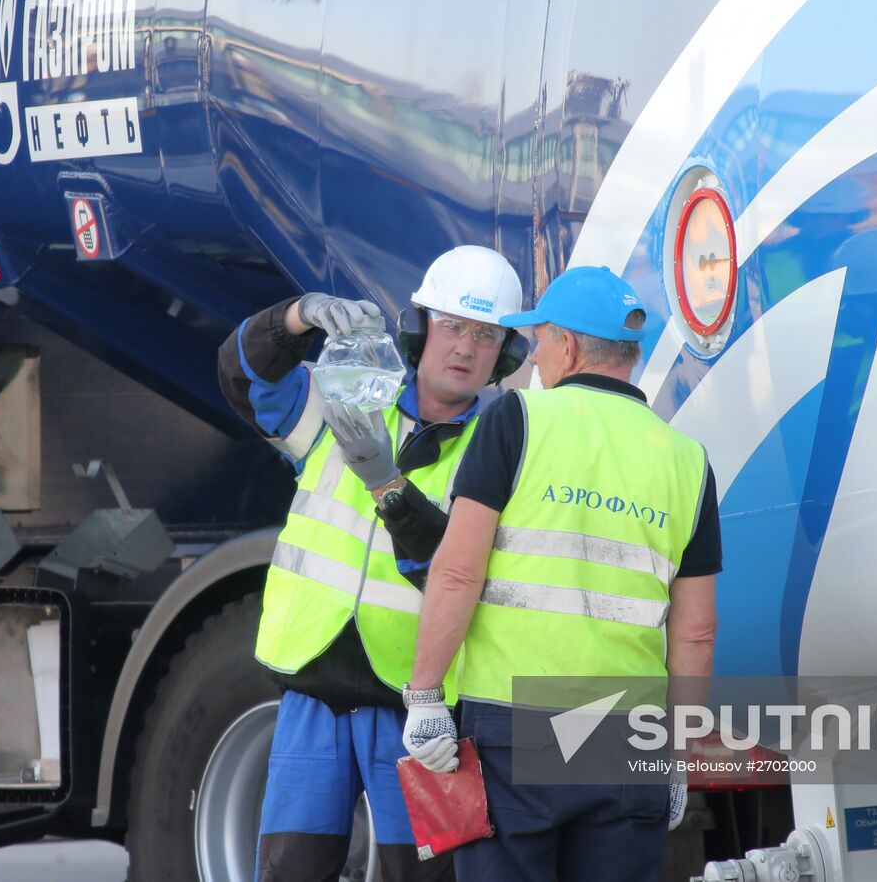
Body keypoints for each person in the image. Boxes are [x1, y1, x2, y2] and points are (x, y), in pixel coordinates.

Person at [217, 245, 530, 882]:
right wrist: (298, 316)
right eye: (452, 326)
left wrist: (389, 483)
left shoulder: (500, 447)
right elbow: (241, 375)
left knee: (433, 877)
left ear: (507, 354)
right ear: (418, 329)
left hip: (423, 711)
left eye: (486, 334)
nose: (466, 348)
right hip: (313, 696)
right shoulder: (346, 399)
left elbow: (465, 573)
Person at [400, 265, 722, 882]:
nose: (535, 360)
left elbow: (457, 575)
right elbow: (696, 631)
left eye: (540, 342)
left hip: (512, 730)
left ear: (569, 347)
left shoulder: (517, 419)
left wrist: (424, 696)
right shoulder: (688, 461)